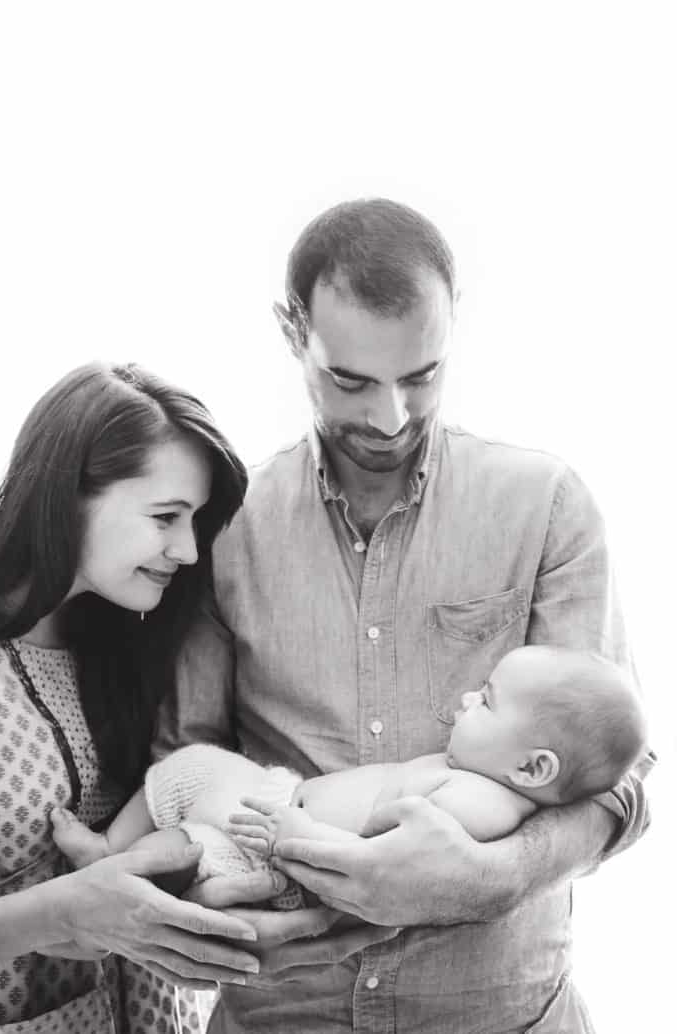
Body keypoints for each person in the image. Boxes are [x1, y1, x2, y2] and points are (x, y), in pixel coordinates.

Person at [153, 198, 654, 1034]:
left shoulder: (547, 507)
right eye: (350, 380)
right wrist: (231, 920)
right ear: (292, 331)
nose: (390, 418)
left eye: (421, 375)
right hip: (280, 1015)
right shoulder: (223, 525)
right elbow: (186, 759)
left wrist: (491, 879)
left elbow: (620, 783)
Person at [0, 361, 320, 1033]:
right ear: (66, 497)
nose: (187, 549)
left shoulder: (127, 655)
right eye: (165, 517)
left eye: (197, 522)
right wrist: (64, 910)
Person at [51, 645, 648, 905]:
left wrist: (292, 834)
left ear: (533, 766)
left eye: (487, 701)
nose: (468, 698)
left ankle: (110, 869)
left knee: (187, 850)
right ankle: (109, 845)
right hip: (280, 801)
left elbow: (379, 858)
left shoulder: (483, 805)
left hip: (282, 856)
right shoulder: (472, 772)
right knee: (188, 766)